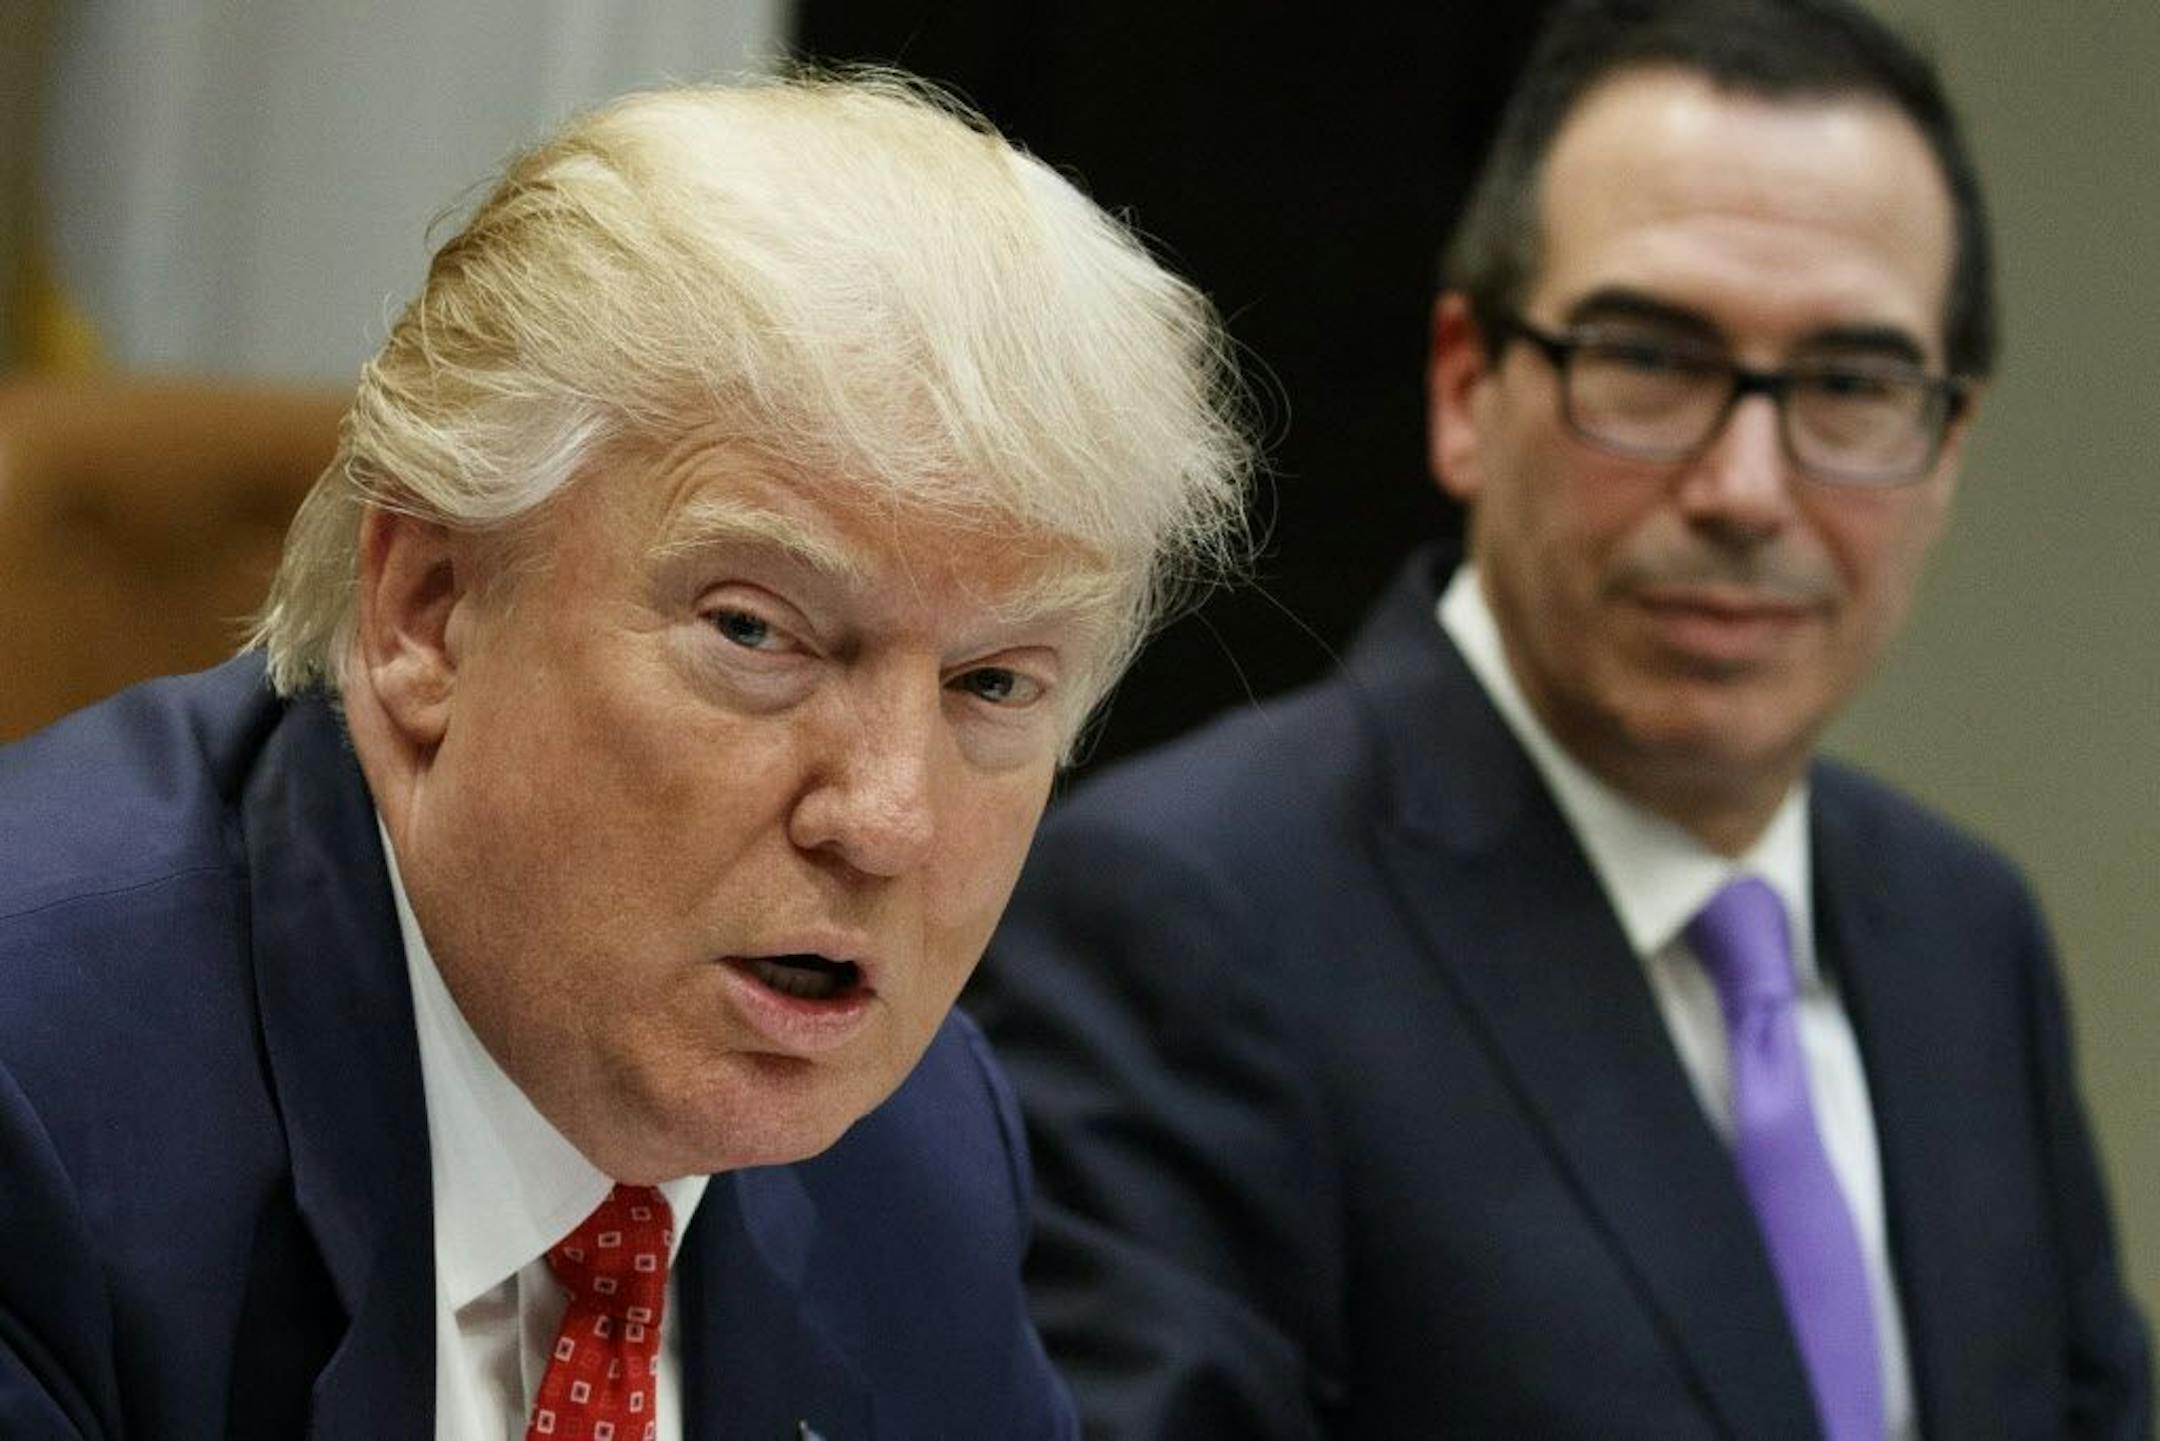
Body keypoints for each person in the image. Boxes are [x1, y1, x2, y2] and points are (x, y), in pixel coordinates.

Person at [0, 73, 1249, 1438]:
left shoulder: (919, 1153)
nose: (886, 818)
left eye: (994, 681)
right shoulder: (40, 1095)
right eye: (758, 630)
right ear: (430, 610)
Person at [970, 1, 2152, 1436]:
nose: (1746, 489)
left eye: (1851, 385)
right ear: (1467, 388)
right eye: (1651, 359)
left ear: (1949, 443)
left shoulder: (1966, 932)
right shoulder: (1182, 917)